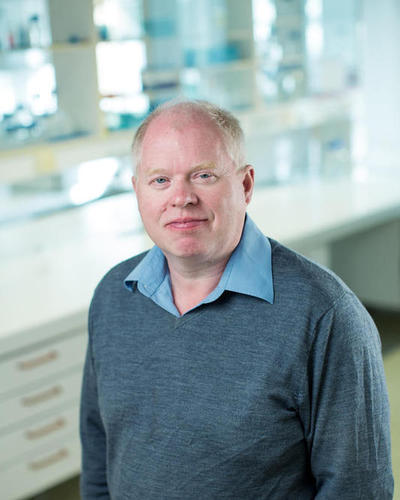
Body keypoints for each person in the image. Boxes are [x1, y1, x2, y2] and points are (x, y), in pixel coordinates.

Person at [80, 100, 394, 499]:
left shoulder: (325, 316)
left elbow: (358, 488)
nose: (181, 197)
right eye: (160, 180)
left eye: (204, 175)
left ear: (245, 185)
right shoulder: (114, 295)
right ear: (137, 190)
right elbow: (98, 451)